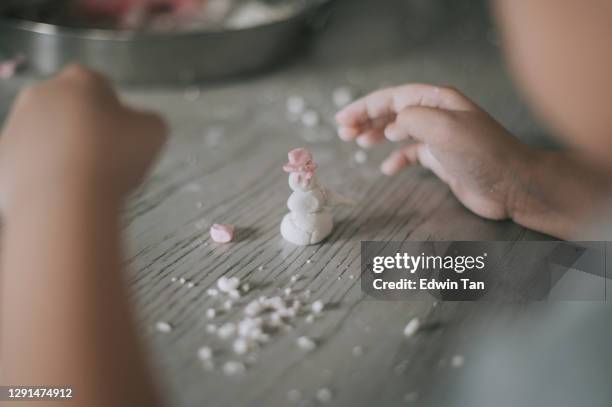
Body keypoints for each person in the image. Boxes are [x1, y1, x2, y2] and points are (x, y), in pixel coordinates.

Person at [1, 0, 611, 405]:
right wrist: (535, 187)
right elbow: (593, 280)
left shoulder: (566, 370)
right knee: (398, 267)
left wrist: (56, 195)